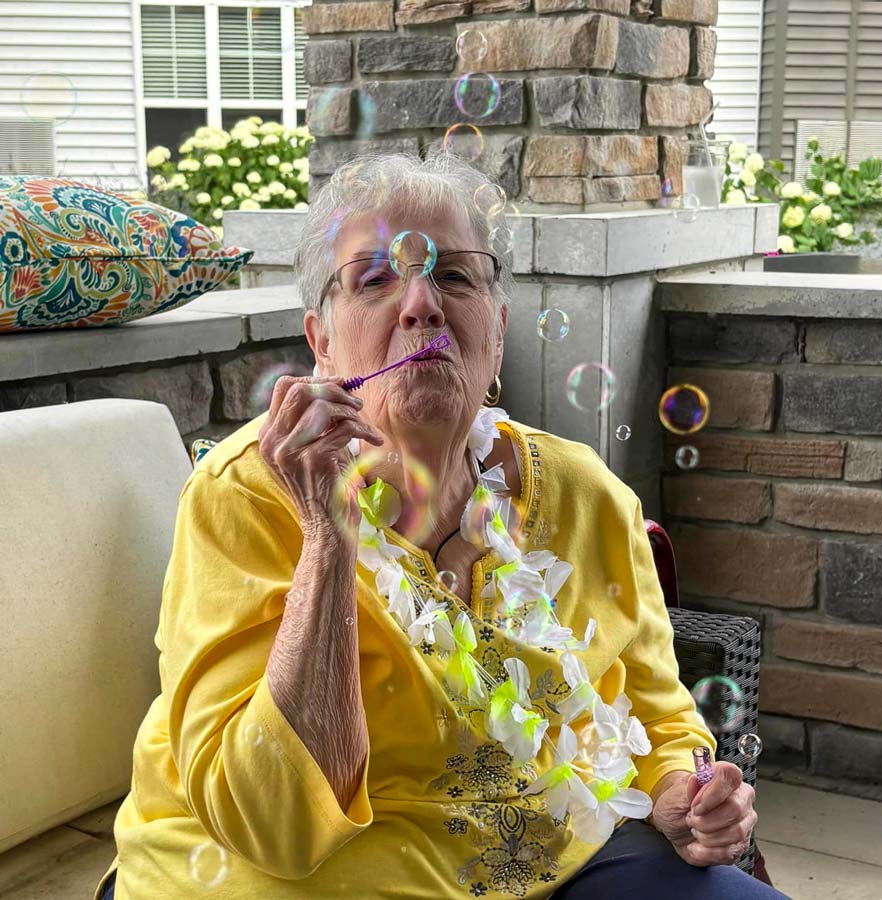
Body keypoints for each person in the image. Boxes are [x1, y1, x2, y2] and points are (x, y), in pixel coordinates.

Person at [93, 152, 790, 900]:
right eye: (375, 278)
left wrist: (680, 791)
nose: (421, 303)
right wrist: (327, 540)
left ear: (497, 328)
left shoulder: (589, 494)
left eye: (454, 276)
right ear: (321, 341)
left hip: (552, 854)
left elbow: (655, 709)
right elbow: (274, 824)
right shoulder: (247, 494)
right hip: (296, 877)